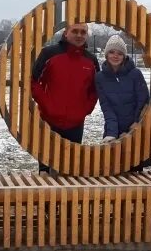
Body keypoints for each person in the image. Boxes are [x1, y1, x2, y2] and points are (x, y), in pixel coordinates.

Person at [31, 23, 100, 172]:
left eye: (83, 32)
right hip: (48, 120)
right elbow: (34, 82)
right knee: (46, 170)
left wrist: (85, 109)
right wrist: (46, 105)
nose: (79, 35)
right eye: (75, 31)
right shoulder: (49, 54)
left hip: (75, 123)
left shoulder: (91, 60)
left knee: (70, 168)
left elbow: (95, 90)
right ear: (66, 33)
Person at [96, 34, 151, 172]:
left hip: (136, 128)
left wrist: (136, 123)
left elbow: (143, 100)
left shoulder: (135, 74)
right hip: (115, 126)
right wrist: (112, 133)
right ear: (106, 53)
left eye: (120, 53)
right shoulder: (100, 78)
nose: (115, 56)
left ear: (124, 56)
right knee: (112, 167)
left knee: (135, 169)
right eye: (112, 52)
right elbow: (106, 107)